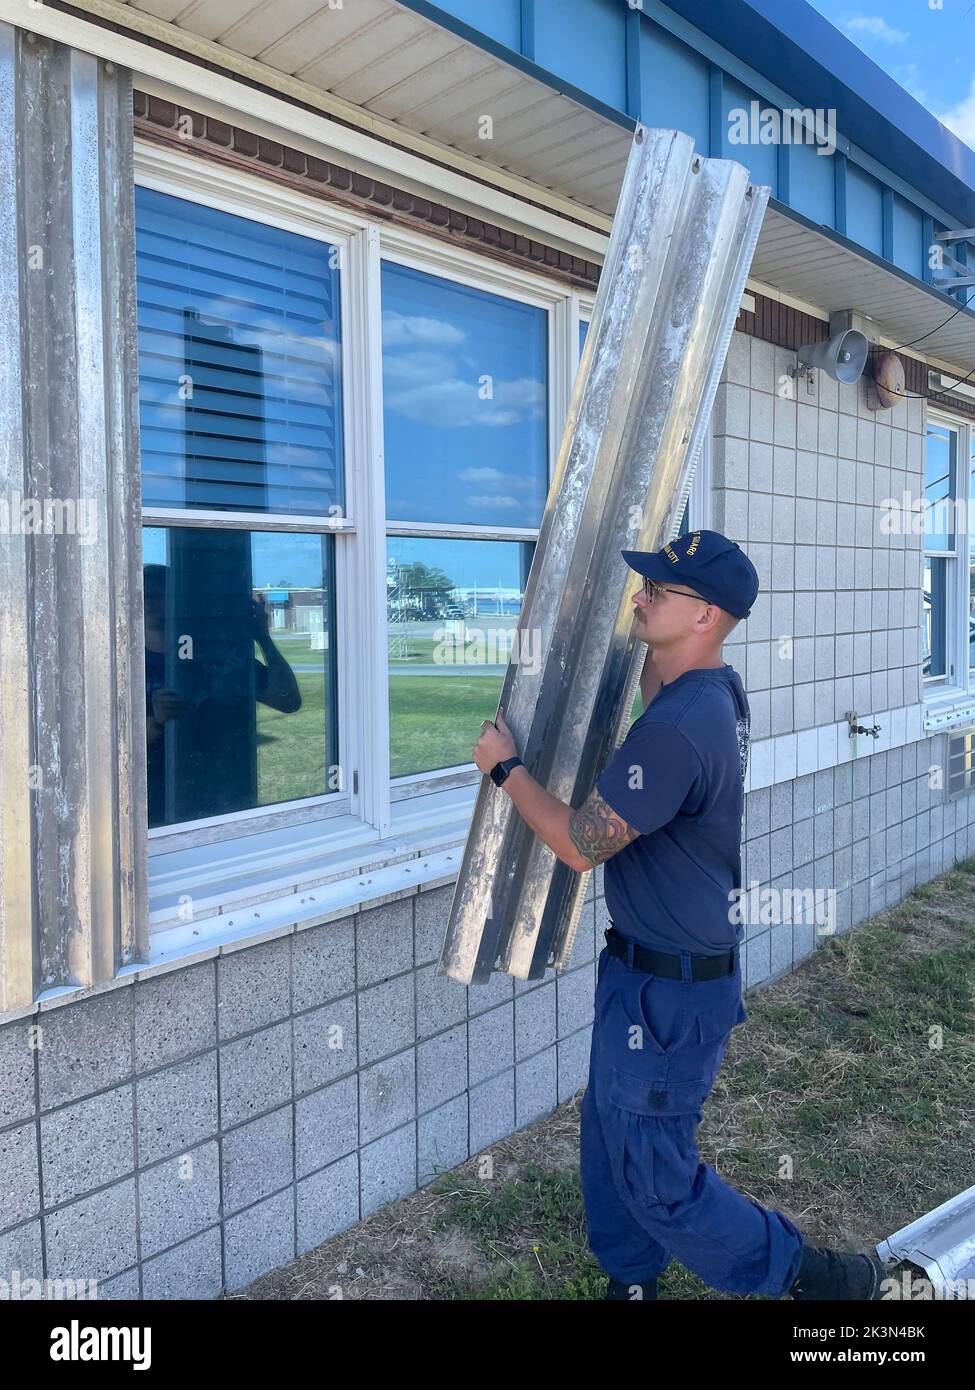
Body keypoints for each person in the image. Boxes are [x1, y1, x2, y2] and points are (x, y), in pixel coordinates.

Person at [472, 528, 885, 1301]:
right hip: (643, 972)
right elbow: (654, 696)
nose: (640, 596)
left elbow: (579, 844)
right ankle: (632, 1284)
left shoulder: (675, 731)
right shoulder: (708, 691)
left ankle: (810, 1279)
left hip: (669, 994)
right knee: (610, 1141)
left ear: (705, 615)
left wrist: (505, 770)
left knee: (654, 1171)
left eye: (657, 592)